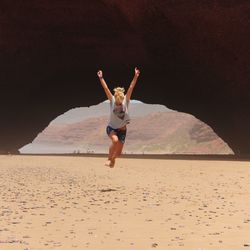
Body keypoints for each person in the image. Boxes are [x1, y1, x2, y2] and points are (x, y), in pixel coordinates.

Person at [97, 67, 140, 167]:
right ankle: (109, 159)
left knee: (119, 153)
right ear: (115, 99)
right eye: (118, 103)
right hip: (111, 128)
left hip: (122, 130)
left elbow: (131, 87)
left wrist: (135, 76)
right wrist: (101, 78)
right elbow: (106, 89)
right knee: (115, 141)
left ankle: (113, 160)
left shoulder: (126, 101)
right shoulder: (112, 100)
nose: (120, 105)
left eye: (121, 103)